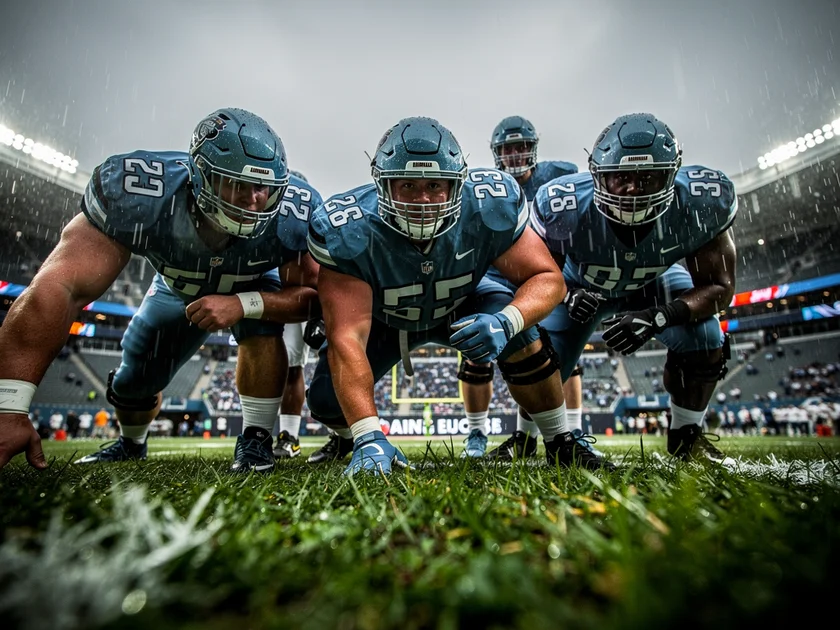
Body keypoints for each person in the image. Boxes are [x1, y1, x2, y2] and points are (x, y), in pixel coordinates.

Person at [0, 108, 320, 473]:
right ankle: (132, 441)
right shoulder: (143, 193)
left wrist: (244, 304)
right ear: (201, 177)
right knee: (135, 380)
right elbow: (61, 286)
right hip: (177, 289)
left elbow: (312, 300)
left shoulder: (296, 211)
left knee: (264, 328)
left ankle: (256, 439)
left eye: (262, 188)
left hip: (257, 285)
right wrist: (8, 405)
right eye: (237, 184)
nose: (252, 200)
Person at [305, 116, 612, 475]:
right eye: (407, 185)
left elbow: (548, 279)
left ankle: (560, 439)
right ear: (383, 186)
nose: (423, 200)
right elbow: (348, 336)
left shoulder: (486, 206)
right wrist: (366, 434)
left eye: (435, 185)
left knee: (521, 327)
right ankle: (356, 437)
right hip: (385, 319)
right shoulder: (351, 227)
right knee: (326, 401)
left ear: (456, 185)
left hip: (464, 303)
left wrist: (505, 321)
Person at [530, 112, 738, 463]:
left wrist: (660, 317)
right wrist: (567, 293)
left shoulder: (701, 203)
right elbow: (535, 276)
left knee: (706, 336)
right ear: (598, 176)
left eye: (647, 178)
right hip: (582, 286)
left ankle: (687, 434)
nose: (632, 189)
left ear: (670, 176)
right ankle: (529, 437)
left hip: (654, 283)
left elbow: (719, 288)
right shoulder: (563, 204)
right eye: (621, 177)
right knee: (536, 353)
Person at [459, 116, 582, 459]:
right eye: (507, 148)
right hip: (498, 276)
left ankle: (569, 429)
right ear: (496, 153)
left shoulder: (561, 176)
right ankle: (476, 432)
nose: (514, 155)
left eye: (521, 147)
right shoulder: (484, 186)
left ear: (533, 148)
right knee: (477, 352)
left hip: (547, 274)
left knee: (562, 354)